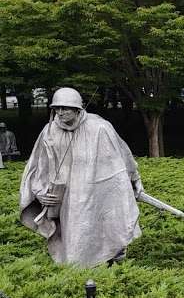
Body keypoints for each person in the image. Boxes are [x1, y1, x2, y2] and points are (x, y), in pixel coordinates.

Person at [19, 87, 144, 266]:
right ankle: (79, 271)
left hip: (99, 190)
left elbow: (122, 156)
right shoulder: (49, 131)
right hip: (68, 198)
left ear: (78, 109)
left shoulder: (100, 128)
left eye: (65, 108)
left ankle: (113, 261)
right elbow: (38, 166)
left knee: (109, 227)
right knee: (75, 239)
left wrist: (135, 179)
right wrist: (41, 192)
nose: (60, 113)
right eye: (57, 108)